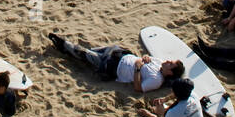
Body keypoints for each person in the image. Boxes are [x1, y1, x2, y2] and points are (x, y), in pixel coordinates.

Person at [48, 33, 184, 92]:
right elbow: (145, 57)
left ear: (170, 72)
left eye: (170, 63)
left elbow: (138, 88)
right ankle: (68, 48)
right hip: (119, 53)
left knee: (86, 55)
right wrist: (145, 57)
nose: (166, 61)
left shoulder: (156, 80)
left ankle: (63, 45)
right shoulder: (159, 63)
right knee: (91, 52)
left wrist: (137, 69)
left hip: (113, 67)